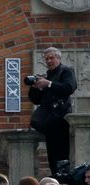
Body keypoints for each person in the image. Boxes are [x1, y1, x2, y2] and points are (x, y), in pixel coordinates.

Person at [27, 47, 77, 175]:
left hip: (60, 119)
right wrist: (35, 88)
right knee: (52, 158)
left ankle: (64, 183)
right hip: (49, 121)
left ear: (58, 58)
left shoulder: (66, 71)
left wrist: (48, 84)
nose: (49, 61)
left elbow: (69, 87)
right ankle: (56, 179)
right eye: (47, 59)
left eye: (52, 57)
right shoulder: (47, 75)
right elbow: (36, 100)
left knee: (62, 158)